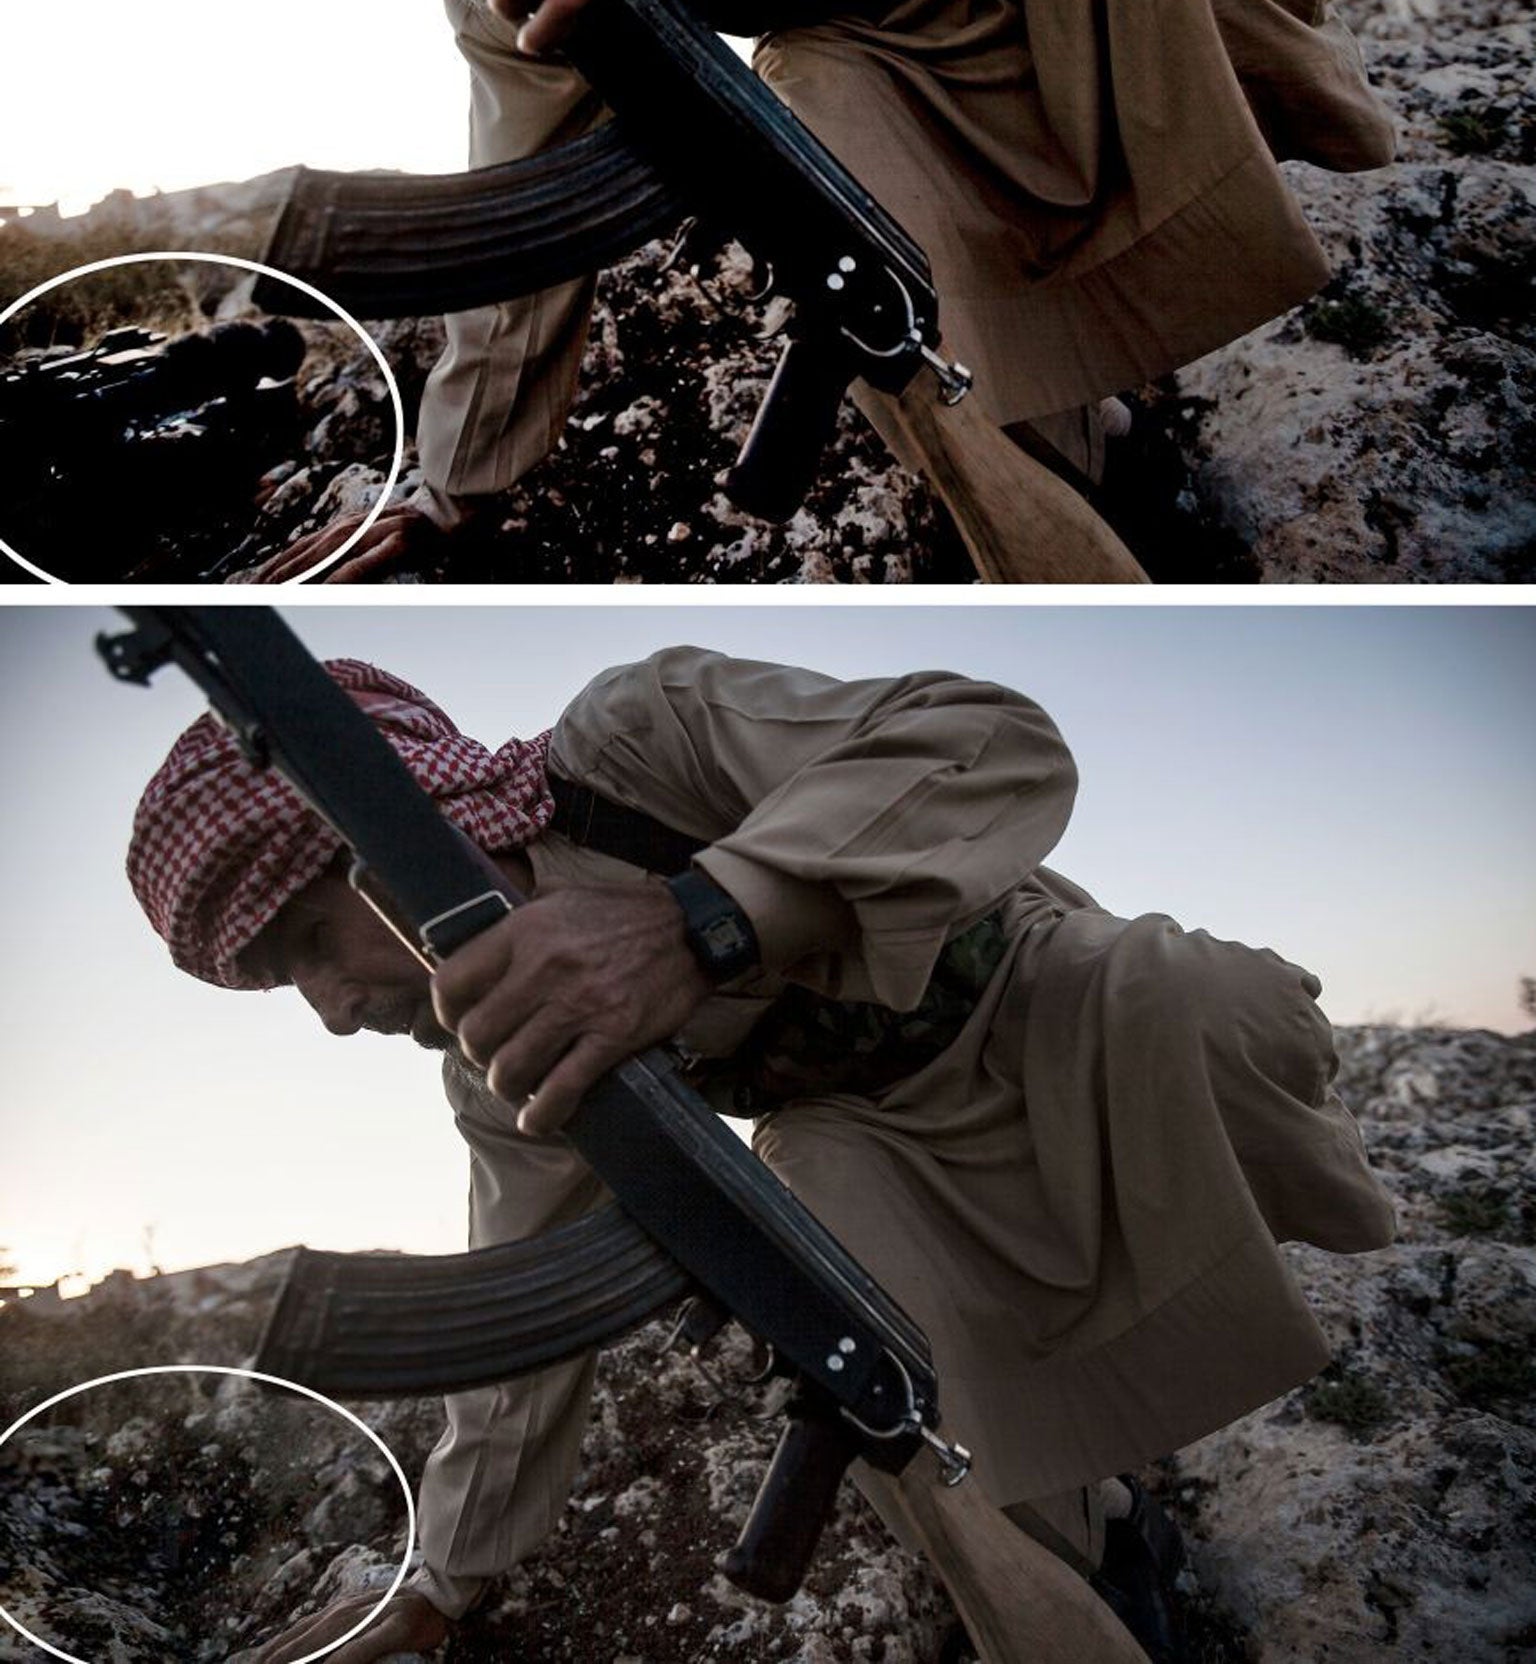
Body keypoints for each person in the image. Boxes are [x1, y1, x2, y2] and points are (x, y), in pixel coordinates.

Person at [128, 646, 1396, 1660]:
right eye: (277, 980)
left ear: (385, 825)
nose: (332, 1007)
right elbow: (519, 1326)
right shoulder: (498, 1055)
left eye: (305, 938)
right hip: (859, 1132)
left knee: (1216, 1004)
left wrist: (703, 920)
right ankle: (1102, 1535)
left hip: (1037, 994)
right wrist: (440, 1585)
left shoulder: (636, 738)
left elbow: (986, 736)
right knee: (844, 1338)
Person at [128, 0, 1396, 581]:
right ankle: (1104, 531)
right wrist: (450, 494)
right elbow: (515, 262)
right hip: (856, 53)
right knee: (861, 280)